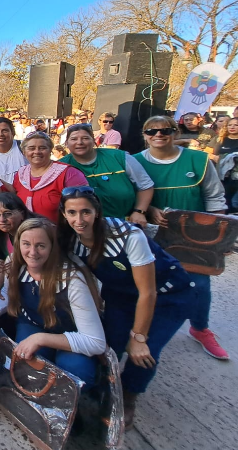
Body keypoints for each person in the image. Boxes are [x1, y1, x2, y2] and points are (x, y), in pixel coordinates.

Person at [58, 187, 194, 428]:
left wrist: (139, 336)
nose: (79, 220)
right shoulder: (70, 239)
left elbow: (148, 292)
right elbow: (85, 275)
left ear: (97, 212)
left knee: (144, 352)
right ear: (64, 213)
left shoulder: (128, 236)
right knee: (110, 343)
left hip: (167, 296)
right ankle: (107, 384)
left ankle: (129, 396)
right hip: (120, 294)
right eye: (72, 212)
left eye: (86, 212)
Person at [134, 115, 229, 360]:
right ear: (144, 135)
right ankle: (143, 327)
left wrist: (221, 237)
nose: (158, 135)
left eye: (165, 130)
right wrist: (148, 210)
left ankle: (200, 328)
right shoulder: (134, 162)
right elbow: (132, 197)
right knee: (147, 284)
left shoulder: (198, 160)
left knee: (198, 285)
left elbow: (215, 198)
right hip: (152, 235)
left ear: (175, 133)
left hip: (194, 237)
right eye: (151, 131)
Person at [3, 218, 106, 389]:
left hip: (71, 332)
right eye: (26, 244)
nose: (32, 252)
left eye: (41, 246)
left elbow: (96, 342)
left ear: (52, 248)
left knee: (74, 371)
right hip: (34, 322)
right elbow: (7, 296)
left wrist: (41, 339)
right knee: (27, 365)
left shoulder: (71, 280)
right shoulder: (15, 264)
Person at [60, 124, 154, 226]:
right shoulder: (61, 167)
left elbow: (145, 185)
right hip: (86, 226)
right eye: (74, 139)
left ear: (94, 141)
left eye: (85, 138)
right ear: (67, 143)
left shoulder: (119, 157)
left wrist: (139, 211)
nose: (80, 142)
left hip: (128, 222)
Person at [13, 131, 88, 224]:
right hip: (27, 234)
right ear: (24, 152)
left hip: (59, 235)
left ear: (50, 151)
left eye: (42, 148)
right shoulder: (21, 174)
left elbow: (85, 206)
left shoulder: (68, 173)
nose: (36, 152)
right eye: (31, 148)